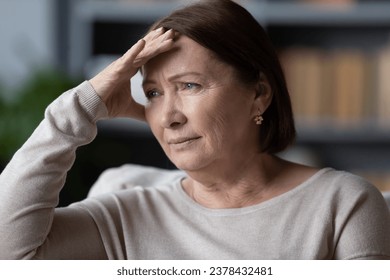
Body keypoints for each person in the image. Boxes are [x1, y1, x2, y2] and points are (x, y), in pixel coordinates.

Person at [0, 0, 389, 260]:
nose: (169, 116)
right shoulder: (125, 213)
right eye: (152, 93)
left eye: (189, 86)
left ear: (259, 94)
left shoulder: (343, 204)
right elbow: (10, 255)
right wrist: (80, 108)